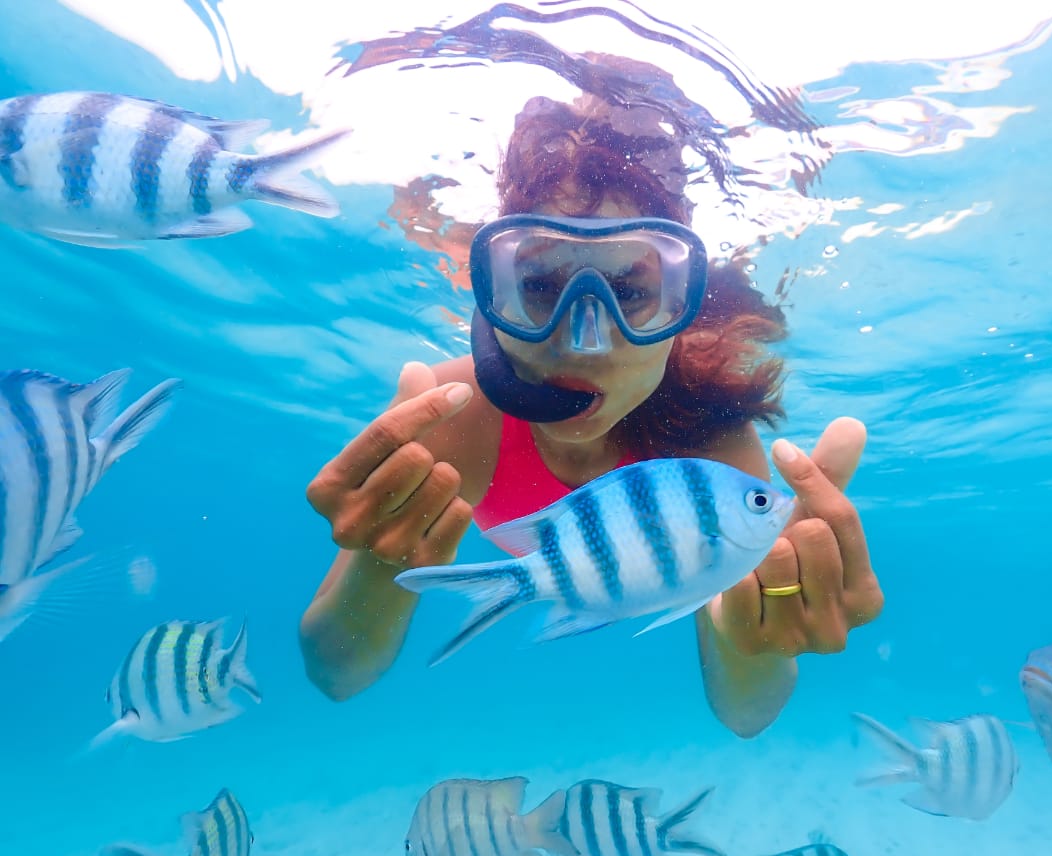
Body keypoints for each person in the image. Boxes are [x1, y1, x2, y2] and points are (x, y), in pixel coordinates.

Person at [299, 91, 884, 738]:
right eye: (542, 286)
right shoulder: (451, 416)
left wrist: (761, 621)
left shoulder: (707, 445)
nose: (584, 342)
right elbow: (337, 674)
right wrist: (378, 557)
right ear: (495, 288)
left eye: (632, 293)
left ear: (682, 304)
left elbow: (747, 714)